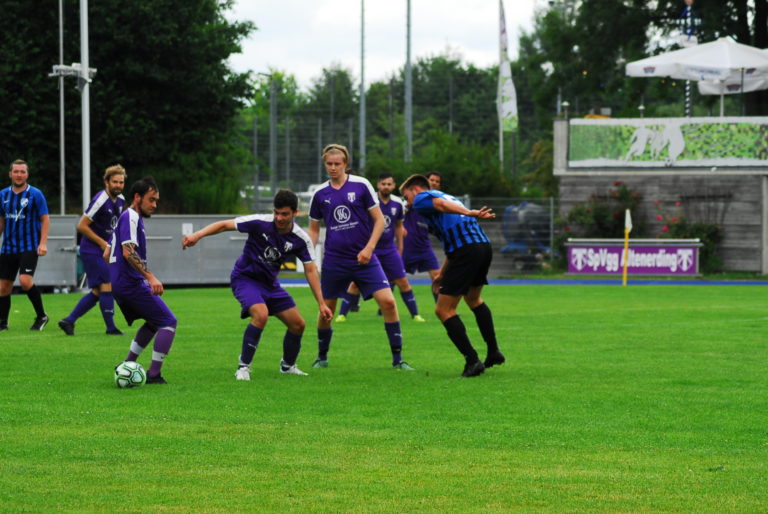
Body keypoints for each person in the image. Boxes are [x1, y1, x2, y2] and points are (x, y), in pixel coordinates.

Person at [182, 189, 333, 379]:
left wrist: (321, 303)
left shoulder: (300, 239)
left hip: (270, 284)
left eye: (284, 214)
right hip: (245, 278)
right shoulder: (260, 222)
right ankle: (243, 368)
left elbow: (310, 270)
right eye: (276, 212)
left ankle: (287, 366)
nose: (279, 218)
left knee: (298, 325)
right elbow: (224, 225)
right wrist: (197, 235)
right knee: (261, 315)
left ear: (295, 213)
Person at [307, 143, 414, 370]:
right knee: (327, 310)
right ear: (324, 164)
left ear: (345, 164)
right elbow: (314, 229)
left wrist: (369, 248)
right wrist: (309, 256)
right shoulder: (319, 193)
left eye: (337, 164)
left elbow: (379, 220)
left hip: (365, 259)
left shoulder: (361, 185)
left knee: (388, 302)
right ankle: (322, 357)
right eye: (329, 164)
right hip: (334, 260)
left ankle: (398, 360)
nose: (333, 167)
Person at [400, 173, 504, 377]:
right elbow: (451, 243)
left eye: (406, 197)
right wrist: (442, 274)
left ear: (415, 189)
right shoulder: (448, 196)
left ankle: (472, 360)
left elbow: (440, 205)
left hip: (466, 251)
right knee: (473, 300)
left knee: (443, 310)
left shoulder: (422, 198)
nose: (407, 202)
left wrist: (469, 212)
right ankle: (493, 351)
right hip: (482, 247)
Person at [108, 177, 176, 384]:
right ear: (137, 197)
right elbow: (128, 252)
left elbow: (106, 253)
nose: (154, 205)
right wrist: (150, 276)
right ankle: (154, 374)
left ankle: (127, 364)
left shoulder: (125, 218)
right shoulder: (131, 216)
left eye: (156, 201)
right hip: (130, 283)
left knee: (154, 321)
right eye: (151, 199)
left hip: (121, 282)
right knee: (168, 321)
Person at [336, 172, 425, 323]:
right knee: (356, 284)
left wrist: (400, 249)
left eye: (389, 184)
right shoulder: (369, 200)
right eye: (383, 184)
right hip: (371, 249)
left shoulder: (398, 203)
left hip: (390, 250)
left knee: (402, 282)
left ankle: (415, 315)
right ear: (378, 185)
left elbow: (399, 227)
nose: (386, 187)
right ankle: (342, 314)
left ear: (394, 186)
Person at [58, 165, 126, 336]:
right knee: (107, 283)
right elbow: (81, 225)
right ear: (106, 182)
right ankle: (111, 328)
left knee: (97, 291)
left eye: (121, 182)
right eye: (115, 182)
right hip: (92, 249)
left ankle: (69, 321)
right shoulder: (100, 200)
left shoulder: (121, 200)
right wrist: (103, 243)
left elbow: (115, 226)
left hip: (104, 250)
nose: (118, 185)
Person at [0, 159, 50, 331]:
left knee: (25, 280)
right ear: (10, 174)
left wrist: (43, 243)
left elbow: (45, 219)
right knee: (3, 286)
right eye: (16, 171)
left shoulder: (35, 194)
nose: (19, 175)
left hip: (29, 246)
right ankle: (3, 322)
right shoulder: (3, 195)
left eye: (22, 172)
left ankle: (42, 316)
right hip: (8, 247)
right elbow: (1, 221)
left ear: (27, 175)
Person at [402, 171, 443, 303]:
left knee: (437, 276)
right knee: (394, 277)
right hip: (407, 245)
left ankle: (441, 306)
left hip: (424, 246)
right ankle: (384, 308)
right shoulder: (412, 200)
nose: (434, 183)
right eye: (432, 180)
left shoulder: (436, 202)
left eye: (437, 181)